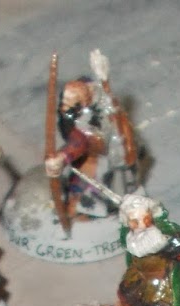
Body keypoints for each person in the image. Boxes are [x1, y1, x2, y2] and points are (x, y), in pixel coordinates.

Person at [43, 49, 138, 223]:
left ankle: (92, 209)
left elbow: (81, 140)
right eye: (64, 103)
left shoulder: (96, 111)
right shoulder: (82, 99)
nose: (65, 108)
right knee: (77, 180)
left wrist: (62, 157)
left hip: (107, 157)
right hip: (94, 155)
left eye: (70, 104)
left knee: (98, 187)